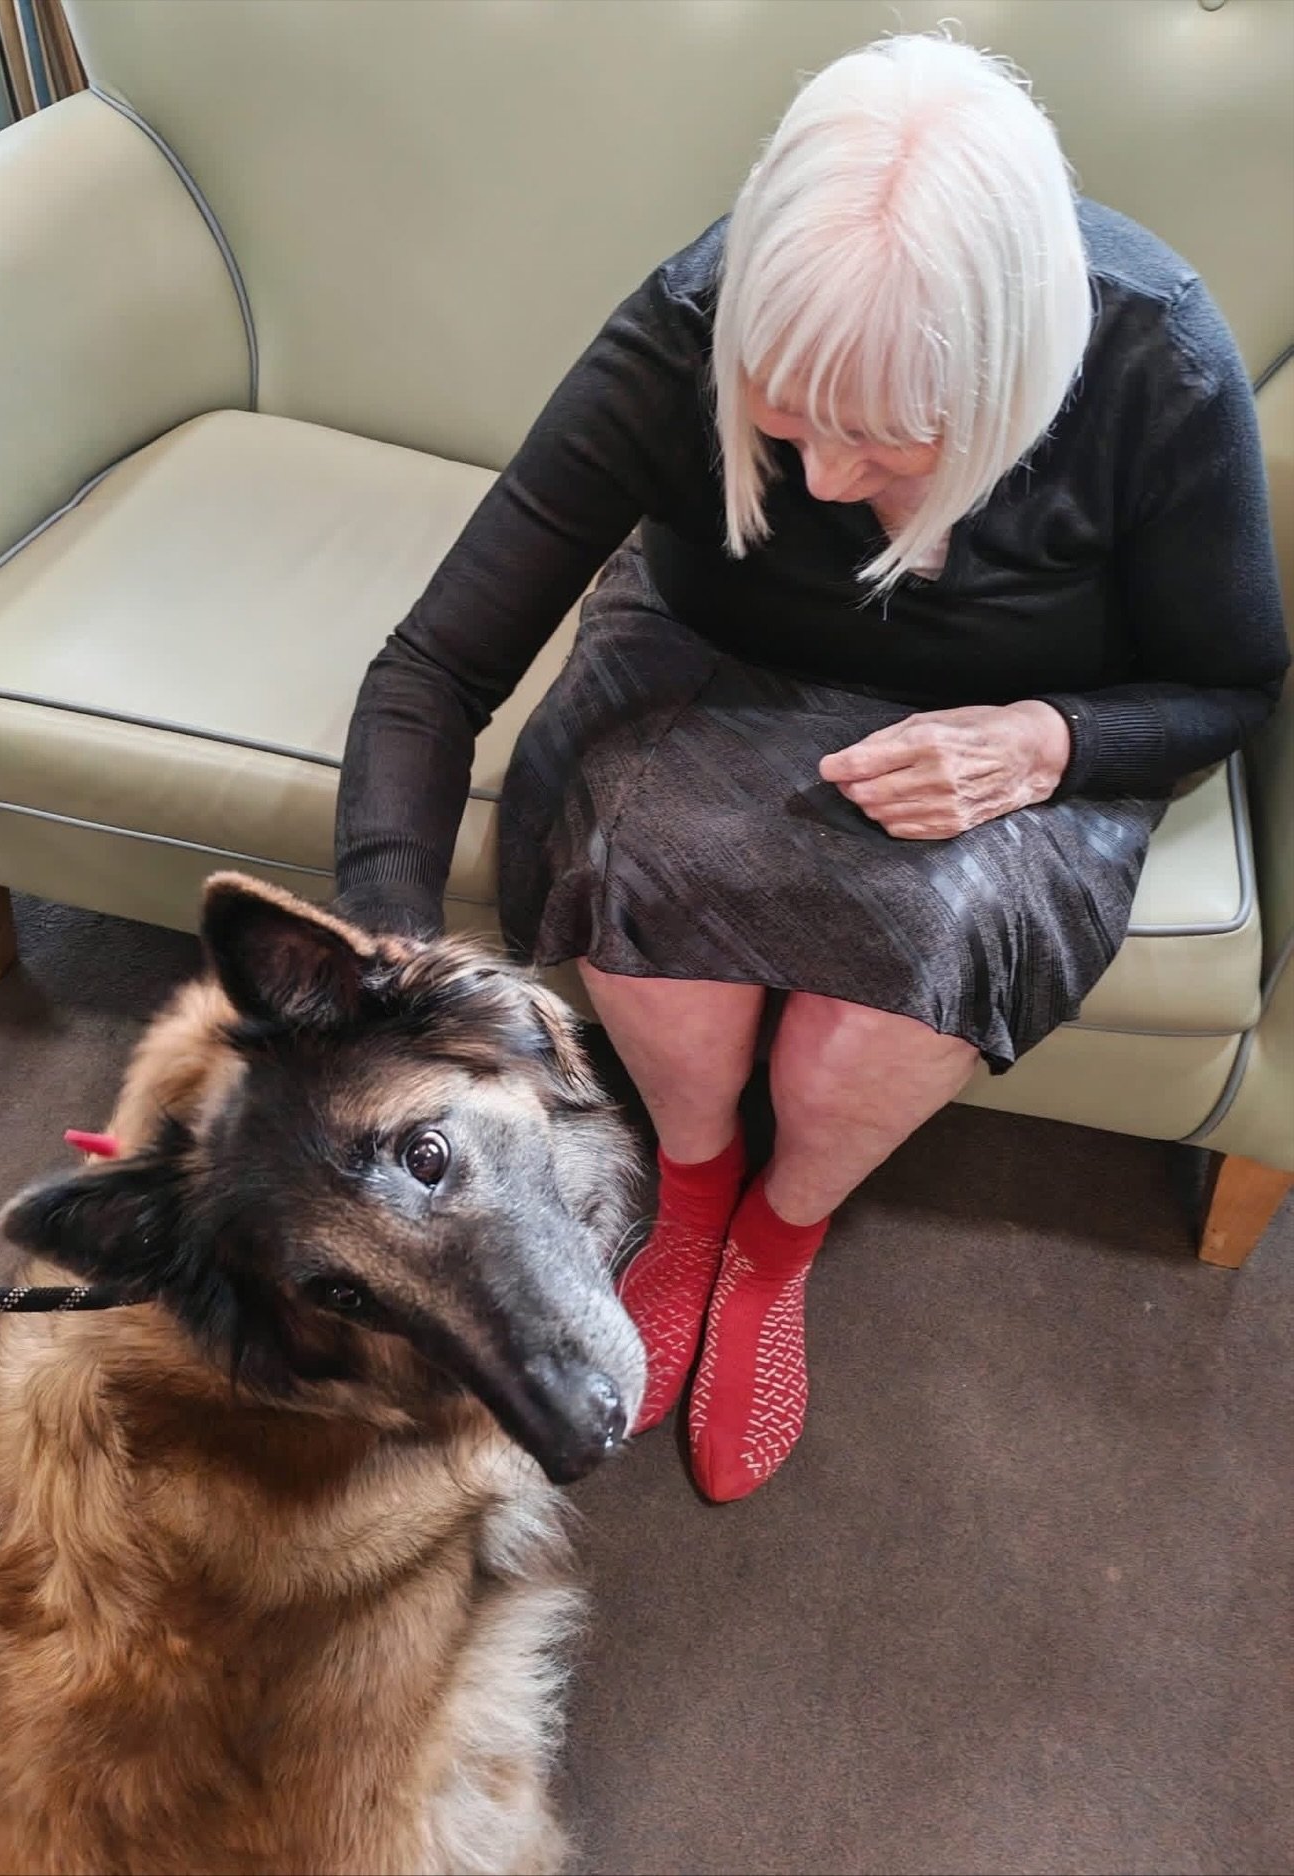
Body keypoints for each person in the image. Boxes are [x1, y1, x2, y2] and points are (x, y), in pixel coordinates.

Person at [334, 33, 1287, 1502]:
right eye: (788, 420)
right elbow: (431, 672)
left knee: (920, 947)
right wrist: (378, 986)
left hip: (1025, 721)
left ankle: (778, 1242)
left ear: (1017, 370)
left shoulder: (1156, 356)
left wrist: (1051, 742)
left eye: (891, 440)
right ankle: (696, 1186)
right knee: (637, 861)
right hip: (713, 662)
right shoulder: (686, 327)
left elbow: (1233, 679)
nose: (831, 482)